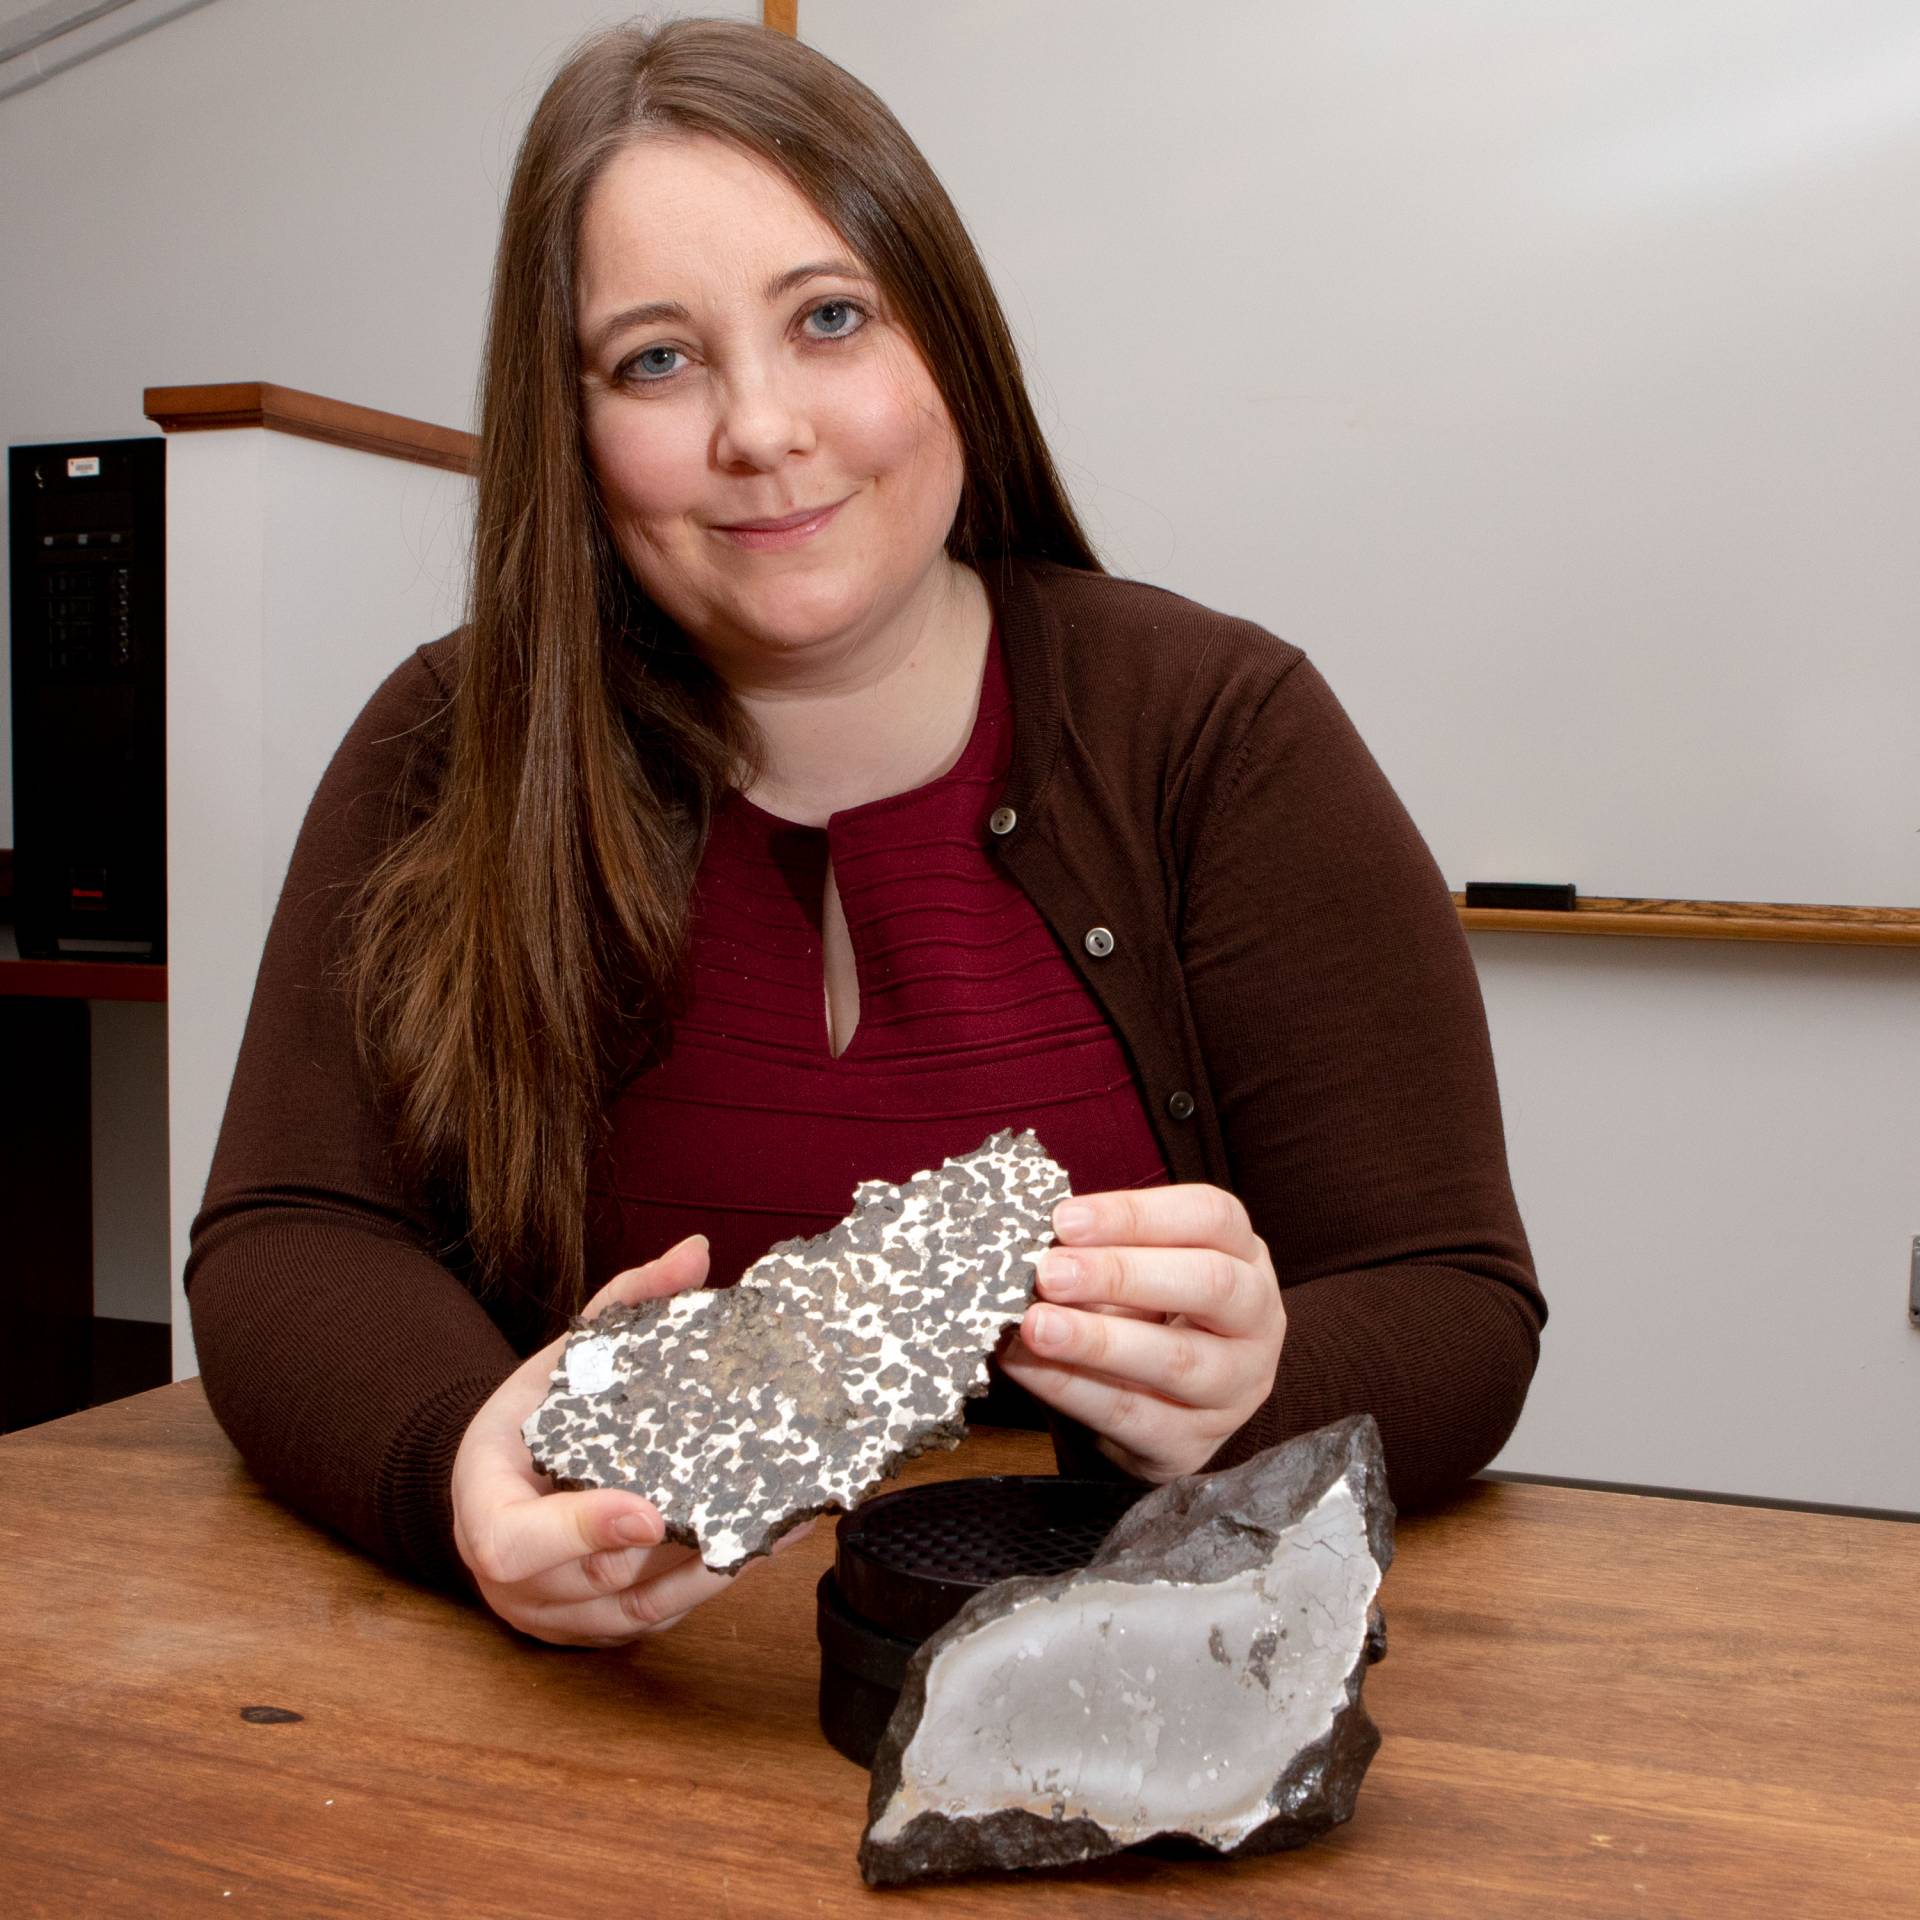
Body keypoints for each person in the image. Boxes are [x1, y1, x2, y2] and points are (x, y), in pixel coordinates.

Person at [189, 18, 1544, 1648]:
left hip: (1107, 1702)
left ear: (948, 346)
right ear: (576, 429)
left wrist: (1256, 1388)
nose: (760, 429)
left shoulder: (1218, 730)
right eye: (656, 361)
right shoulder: (447, 747)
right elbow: (286, 1236)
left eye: (829, 319)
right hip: (594, 1728)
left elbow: (1455, 1297)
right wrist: (460, 1464)